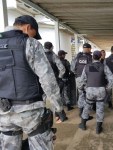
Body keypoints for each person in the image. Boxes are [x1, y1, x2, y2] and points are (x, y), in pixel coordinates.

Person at [0, 15, 65, 150]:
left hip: (3, 113)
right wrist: (58, 107)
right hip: (30, 112)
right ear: (28, 27)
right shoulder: (30, 44)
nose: (33, 37)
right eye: (33, 34)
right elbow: (48, 80)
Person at [78, 50, 113, 134]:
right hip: (101, 90)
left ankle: (83, 124)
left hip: (90, 90)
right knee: (100, 108)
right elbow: (111, 78)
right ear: (100, 57)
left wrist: (82, 88)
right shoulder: (103, 66)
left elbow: (82, 79)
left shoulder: (87, 66)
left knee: (87, 106)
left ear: (92, 57)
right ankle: (98, 128)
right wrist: (107, 88)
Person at [71, 43, 93, 119]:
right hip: (87, 79)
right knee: (88, 96)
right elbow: (92, 69)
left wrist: (77, 74)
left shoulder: (77, 57)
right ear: (89, 49)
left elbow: (72, 68)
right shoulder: (90, 57)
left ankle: (80, 112)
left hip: (78, 78)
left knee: (81, 95)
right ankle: (85, 114)